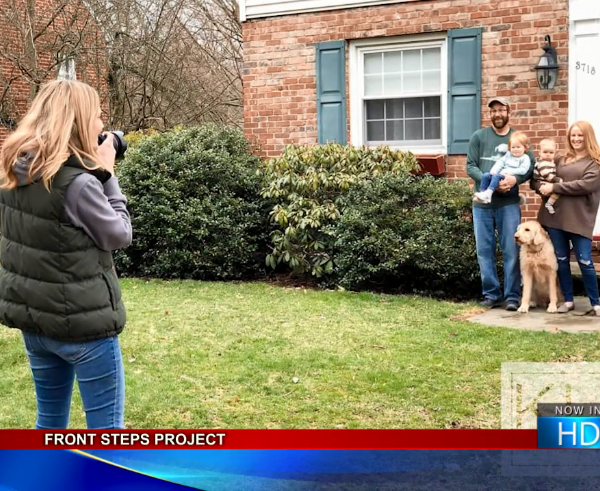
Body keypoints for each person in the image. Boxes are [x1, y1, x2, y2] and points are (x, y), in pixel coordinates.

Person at [0, 80, 132, 428]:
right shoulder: (79, 184)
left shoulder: (14, 173)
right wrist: (107, 173)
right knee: (106, 432)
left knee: (50, 423)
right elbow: (119, 234)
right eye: (97, 117)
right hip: (86, 329)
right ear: (78, 122)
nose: (103, 125)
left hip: (36, 323)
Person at [466, 97, 534, 311]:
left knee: (511, 250)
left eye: (501, 110)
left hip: (508, 205)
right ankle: (491, 294)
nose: (497, 114)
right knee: (484, 251)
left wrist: (515, 180)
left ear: (508, 112)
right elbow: (470, 166)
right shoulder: (479, 137)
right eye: (493, 110)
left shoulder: (517, 138)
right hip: (482, 205)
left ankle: (512, 296)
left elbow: (530, 165)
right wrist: (489, 182)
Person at [531, 121, 600, 316]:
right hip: (555, 218)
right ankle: (568, 301)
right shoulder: (560, 160)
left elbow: (585, 185)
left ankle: (595, 303)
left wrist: (555, 187)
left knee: (585, 261)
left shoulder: (595, 162)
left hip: (579, 220)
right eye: (573, 136)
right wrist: (540, 187)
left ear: (588, 137)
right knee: (561, 260)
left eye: (580, 135)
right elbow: (537, 178)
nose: (576, 139)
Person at [473, 131, 531, 204]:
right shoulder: (508, 155)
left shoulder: (525, 158)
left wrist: (510, 172)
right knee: (486, 175)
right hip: (501, 175)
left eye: (518, 147)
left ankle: (488, 194)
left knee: (496, 177)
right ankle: (482, 194)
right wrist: (493, 171)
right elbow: (500, 162)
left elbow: (523, 169)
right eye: (513, 147)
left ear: (525, 148)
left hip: (509, 179)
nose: (515, 149)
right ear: (509, 148)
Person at [533, 138, 561, 215]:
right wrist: (557, 180)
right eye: (545, 152)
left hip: (547, 183)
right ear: (539, 153)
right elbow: (546, 174)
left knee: (557, 192)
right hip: (543, 183)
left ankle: (549, 203)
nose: (548, 154)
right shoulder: (542, 163)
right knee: (558, 189)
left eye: (551, 152)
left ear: (555, 153)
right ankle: (549, 203)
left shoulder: (550, 162)